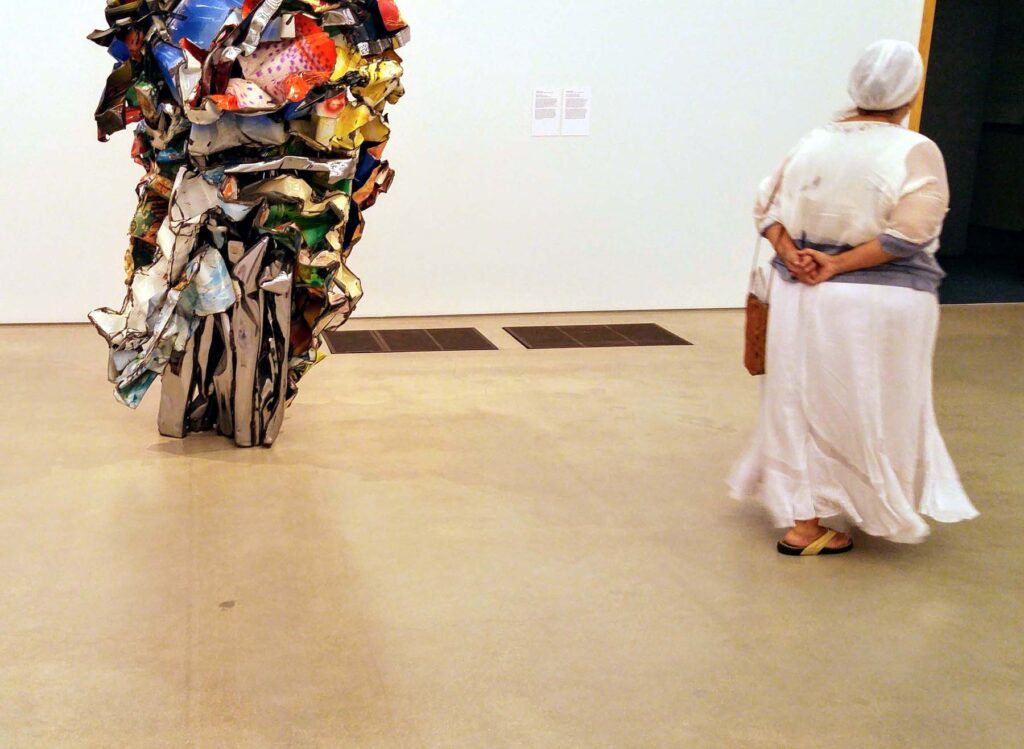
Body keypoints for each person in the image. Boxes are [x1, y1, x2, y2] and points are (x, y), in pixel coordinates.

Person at [729, 39, 979, 556]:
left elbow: (765, 208)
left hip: (801, 296)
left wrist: (797, 253)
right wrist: (838, 262)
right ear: (909, 93)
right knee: (874, 403)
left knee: (797, 402)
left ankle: (804, 522)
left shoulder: (813, 142)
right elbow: (909, 233)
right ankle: (872, 503)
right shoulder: (914, 149)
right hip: (879, 303)